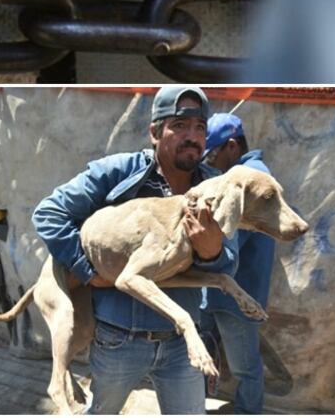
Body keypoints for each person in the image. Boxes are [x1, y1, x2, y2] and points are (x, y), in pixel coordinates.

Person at [33, 86, 239, 414]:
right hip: (118, 340)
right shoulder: (119, 173)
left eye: (200, 127)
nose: (193, 136)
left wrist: (212, 252)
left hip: (180, 344)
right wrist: (87, 270)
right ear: (155, 133)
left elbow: (230, 264)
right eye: (180, 125)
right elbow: (49, 214)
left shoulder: (214, 188)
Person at [200, 112, 274, 414]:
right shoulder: (238, 175)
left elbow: (226, 240)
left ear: (232, 146)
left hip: (237, 295)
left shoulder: (249, 179)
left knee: (245, 368)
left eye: (213, 155)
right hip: (220, 290)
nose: (210, 163)